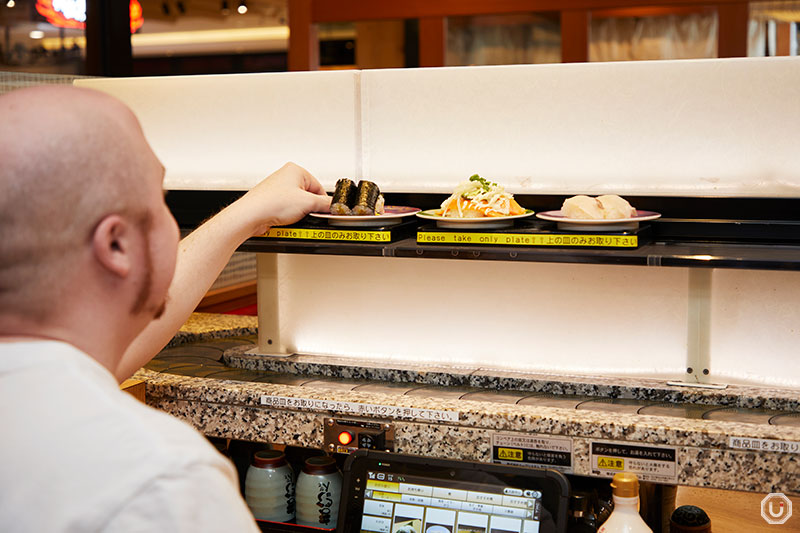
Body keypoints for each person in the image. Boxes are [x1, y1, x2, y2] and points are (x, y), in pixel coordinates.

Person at [0, 85, 331, 531]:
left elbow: (102, 353)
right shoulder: (160, 484)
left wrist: (249, 213)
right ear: (117, 244)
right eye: (160, 199)